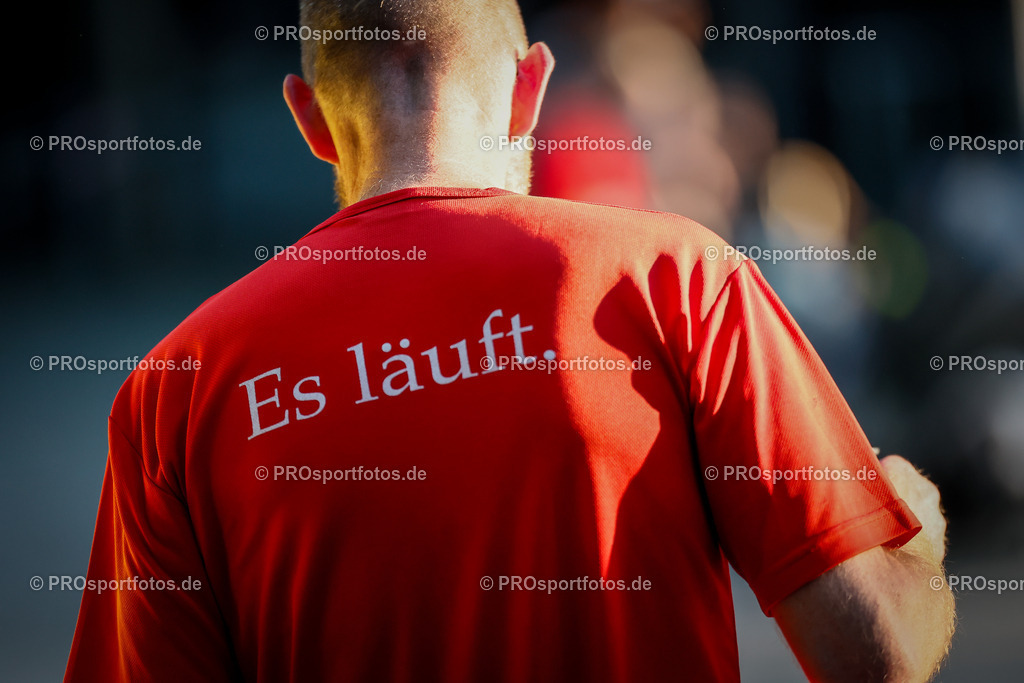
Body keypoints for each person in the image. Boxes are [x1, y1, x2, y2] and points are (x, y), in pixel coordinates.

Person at [64, 1, 955, 681]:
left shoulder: (175, 385)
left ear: (310, 120)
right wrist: (911, 529)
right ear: (531, 88)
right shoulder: (678, 277)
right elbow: (875, 656)